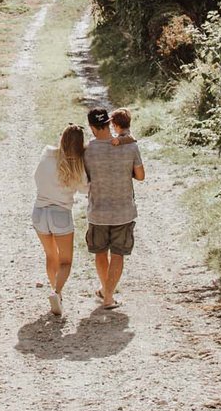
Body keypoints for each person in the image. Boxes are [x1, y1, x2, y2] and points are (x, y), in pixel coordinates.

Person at [84, 105, 144, 310]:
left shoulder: (88, 149)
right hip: (123, 209)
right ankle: (108, 296)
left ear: (92, 127)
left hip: (98, 210)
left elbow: (85, 178)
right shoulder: (130, 145)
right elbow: (141, 176)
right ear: (109, 123)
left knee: (100, 252)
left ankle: (106, 292)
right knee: (118, 254)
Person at [32, 125, 87, 316]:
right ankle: (56, 293)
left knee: (51, 256)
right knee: (66, 262)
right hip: (60, 213)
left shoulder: (46, 154)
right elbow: (86, 189)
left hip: (39, 212)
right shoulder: (77, 165)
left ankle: (57, 294)